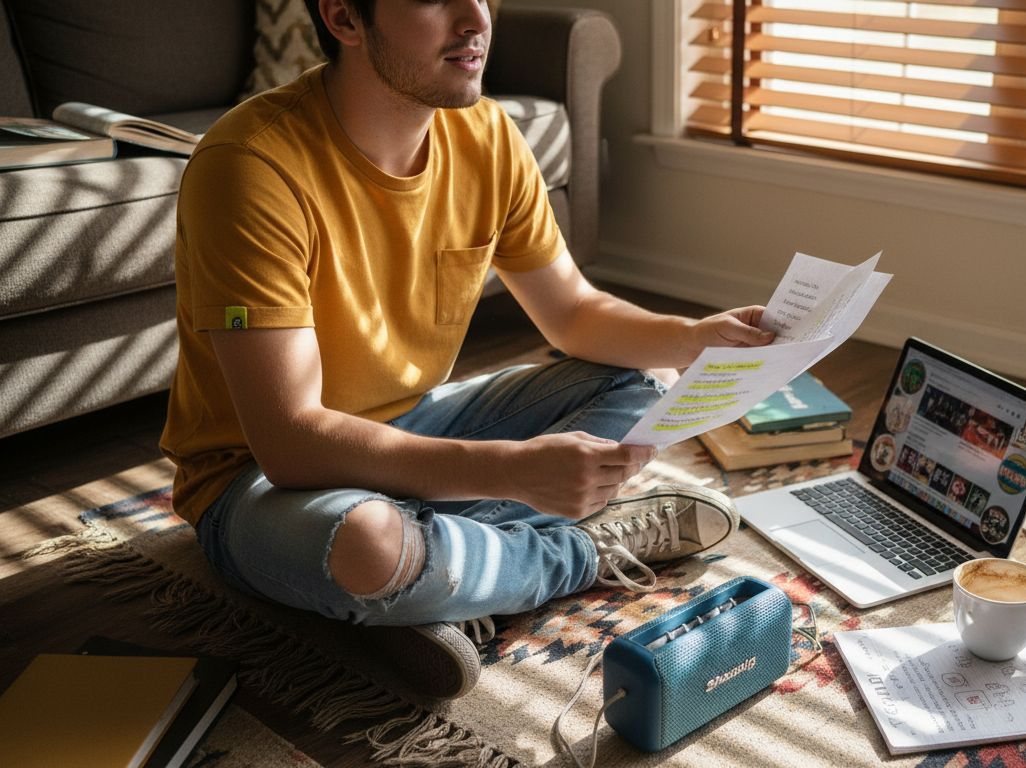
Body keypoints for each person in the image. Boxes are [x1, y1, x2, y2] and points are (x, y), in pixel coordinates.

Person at [159, 0, 775, 699]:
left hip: (414, 428)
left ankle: (435, 575)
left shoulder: (485, 133)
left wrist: (695, 337)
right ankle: (578, 550)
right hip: (257, 482)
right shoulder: (250, 165)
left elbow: (572, 313)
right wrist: (511, 473)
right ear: (345, 18)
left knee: (639, 382)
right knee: (367, 544)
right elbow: (289, 442)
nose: (475, 17)